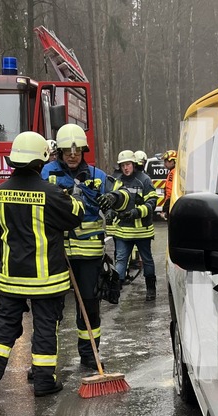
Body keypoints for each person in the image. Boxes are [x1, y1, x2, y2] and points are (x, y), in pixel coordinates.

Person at [0, 131, 85, 397]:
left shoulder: (0, 192)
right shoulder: (50, 193)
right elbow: (75, 217)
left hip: (11, 276)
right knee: (46, 326)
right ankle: (44, 381)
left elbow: (5, 225)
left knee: (3, 325)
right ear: (41, 160)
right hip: (46, 277)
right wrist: (74, 196)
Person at [42, 124, 127, 368]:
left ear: (83, 151)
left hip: (89, 256)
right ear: (59, 151)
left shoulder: (97, 176)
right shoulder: (46, 174)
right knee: (51, 308)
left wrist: (115, 198)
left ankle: (90, 354)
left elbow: (126, 193)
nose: (72, 155)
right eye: (67, 150)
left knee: (89, 305)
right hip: (55, 254)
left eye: (77, 150)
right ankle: (44, 362)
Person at [104, 149, 158, 302]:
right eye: (122, 166)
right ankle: (116, 290)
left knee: (147, 260)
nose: (125, 168)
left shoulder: (145, 180)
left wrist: (136, 212)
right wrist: (109, 212)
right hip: (123, 231)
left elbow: (152, 203)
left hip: (142, 231)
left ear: (134, 164)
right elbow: (113, 202)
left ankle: (151, 289)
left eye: (128, 164)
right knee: (121, 260)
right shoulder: (118, 182)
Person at [161, 149, 176, 219]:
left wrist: (165, 208)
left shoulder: (172, 173)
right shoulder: (176, 171)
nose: (165, 164)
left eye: (166, 161)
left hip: (172, 204)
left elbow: (169, 191)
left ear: (173, 161)